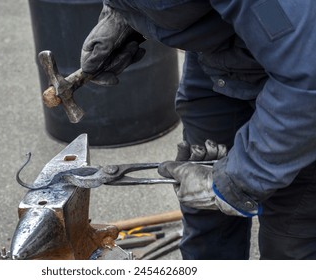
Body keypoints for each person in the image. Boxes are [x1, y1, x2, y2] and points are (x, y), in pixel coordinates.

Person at [80, 1, 316, 259]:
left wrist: (238, 181)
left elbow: (307, 81)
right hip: (220, 56)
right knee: (204, 213)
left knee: (291, 235)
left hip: (301, 79)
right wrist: (123, 16)